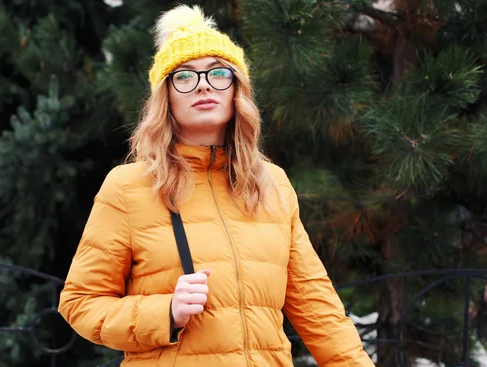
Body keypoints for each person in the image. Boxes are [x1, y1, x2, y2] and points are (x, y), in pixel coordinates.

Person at [58, 4, 375, 367]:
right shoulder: (129, 187)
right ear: (167, 98)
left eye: (218, 73)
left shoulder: (272, 185)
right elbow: (80, 302)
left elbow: (316, 305)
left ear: (236, 89)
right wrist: (165, 313)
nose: (204, 85)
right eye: (185, 76)